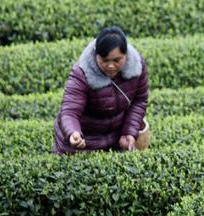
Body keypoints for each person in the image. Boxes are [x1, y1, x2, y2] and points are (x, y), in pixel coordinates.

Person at [53, 26, 150, 154]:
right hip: (85, 142)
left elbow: (139, 100)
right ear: (96, 55)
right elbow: (70, 110)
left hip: (115, 140)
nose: (110, 66)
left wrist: (129, 132)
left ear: (125, 55)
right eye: (104, 60)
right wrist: (73, 133)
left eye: (117, 60)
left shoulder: (136, 67)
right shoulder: (82, 73)